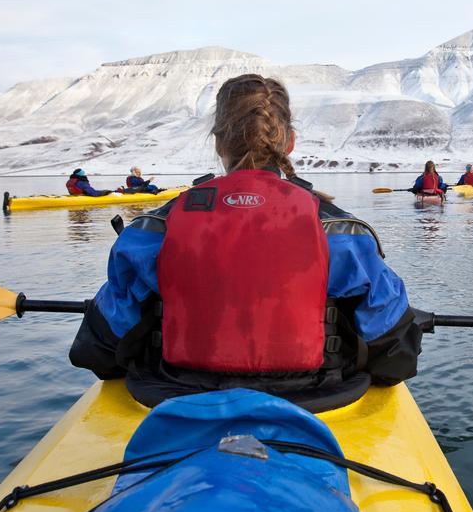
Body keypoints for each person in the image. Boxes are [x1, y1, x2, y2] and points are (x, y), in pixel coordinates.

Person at [70, 74, 422, 409]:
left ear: (218, 142)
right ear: (290, 141)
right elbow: (395, 357)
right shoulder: (341, 232)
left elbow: (99, 351)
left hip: (172, 395)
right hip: (320, 400)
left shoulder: (154, 230)